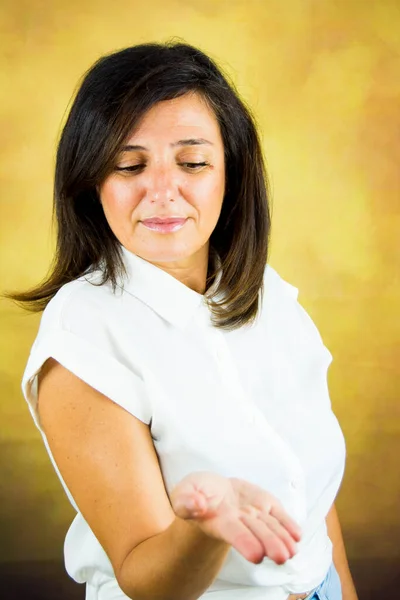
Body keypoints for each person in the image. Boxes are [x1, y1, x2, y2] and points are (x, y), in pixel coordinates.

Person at [9, 42, 358, 600]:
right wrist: (207, 527)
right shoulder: (83, 332)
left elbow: (311, 491)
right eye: (129, 165)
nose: (163, 192)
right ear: (91, 181)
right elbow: (144, 576)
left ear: (231, 171)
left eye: (192, 162)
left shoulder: (266, 292)